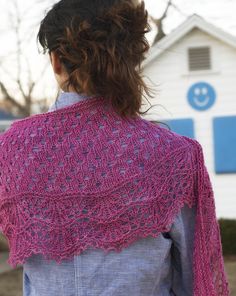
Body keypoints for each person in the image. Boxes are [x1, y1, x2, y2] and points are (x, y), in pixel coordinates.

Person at [0, 0, 230, 295]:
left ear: (56, 60)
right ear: (131, 59)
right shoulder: (175, 156)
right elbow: (197, 281)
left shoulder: (11, 150)